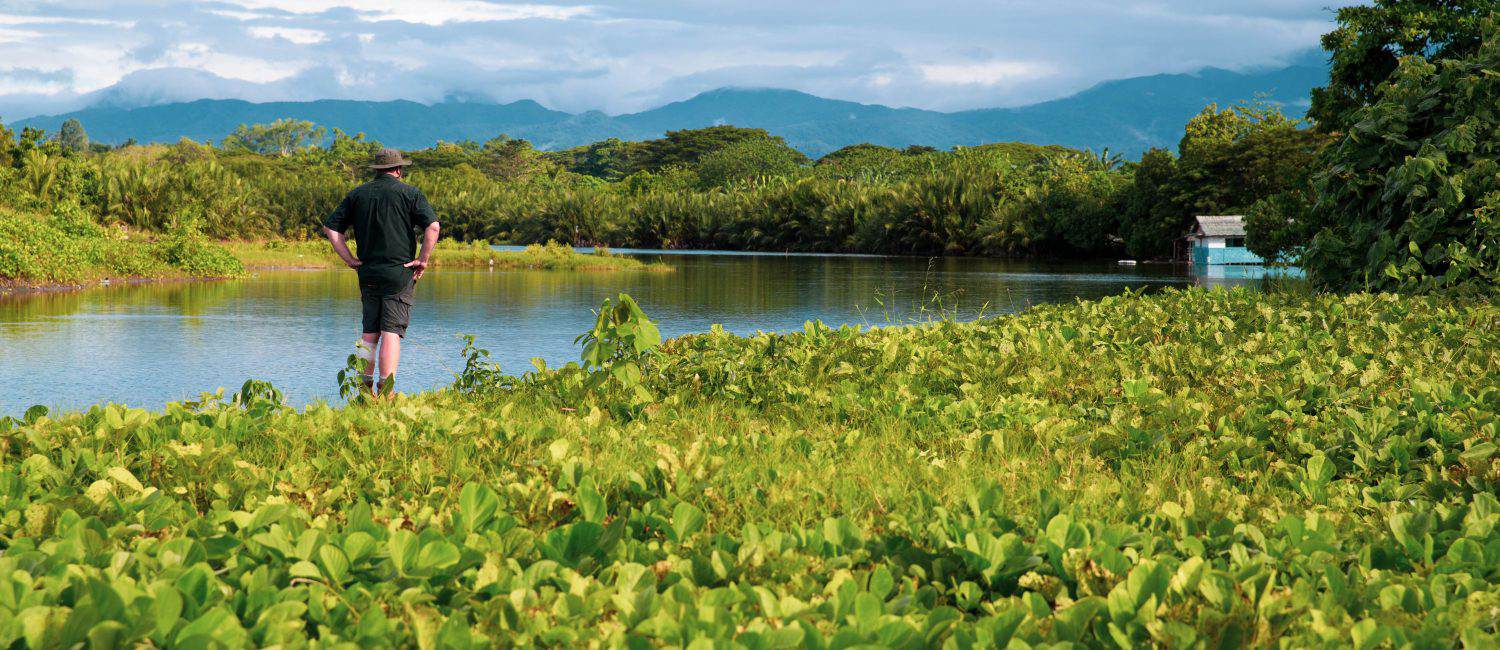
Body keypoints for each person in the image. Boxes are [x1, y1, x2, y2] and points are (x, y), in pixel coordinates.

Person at [322, 148, 440, 396]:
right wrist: (422, 259)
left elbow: (331, 229)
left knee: (369, 335)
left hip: (368, 273)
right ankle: (386, 391)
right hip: (399, 273)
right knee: (391, 333)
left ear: (377, 170)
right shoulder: (410, 193)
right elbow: (433, 227)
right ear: (398, 170)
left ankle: (364, 389)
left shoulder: (357, 194)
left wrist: (350, 259)